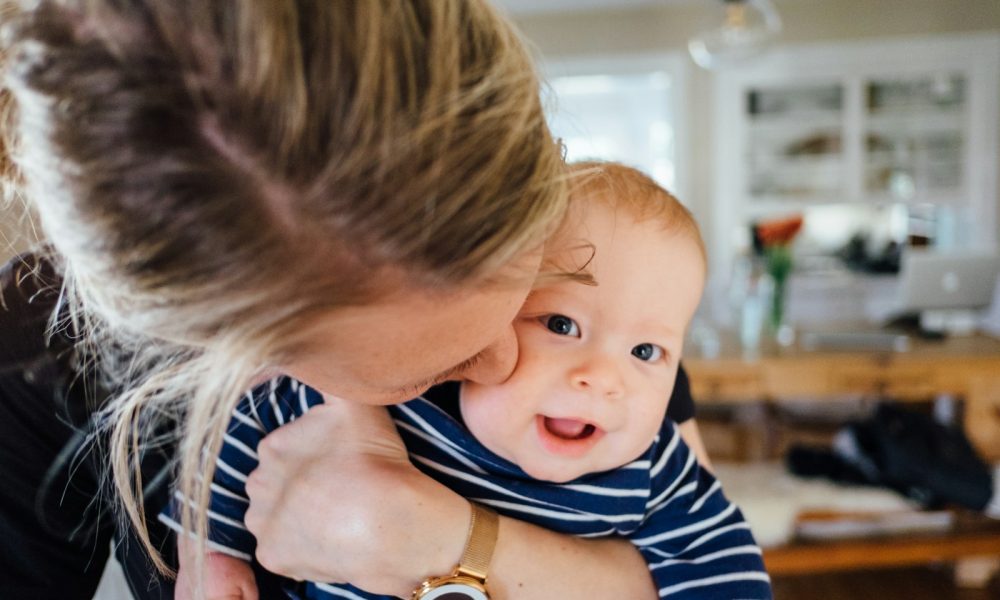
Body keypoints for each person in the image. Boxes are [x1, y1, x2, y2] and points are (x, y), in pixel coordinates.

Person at [0, 2, 710, 599]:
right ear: (232, 351)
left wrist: (452, 544)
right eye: (434, 367)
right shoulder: (27, 370)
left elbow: (708, 561)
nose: (506, 359)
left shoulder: (600, 312)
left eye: (530, 298)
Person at [168, 163, 772, 600]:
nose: (602, 377)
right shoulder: (405, 392)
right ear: (488, 310)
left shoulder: (654, 467)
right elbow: (241, 424)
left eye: (647, 350)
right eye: (561, 324)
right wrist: (211, 553)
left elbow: (728, 574)